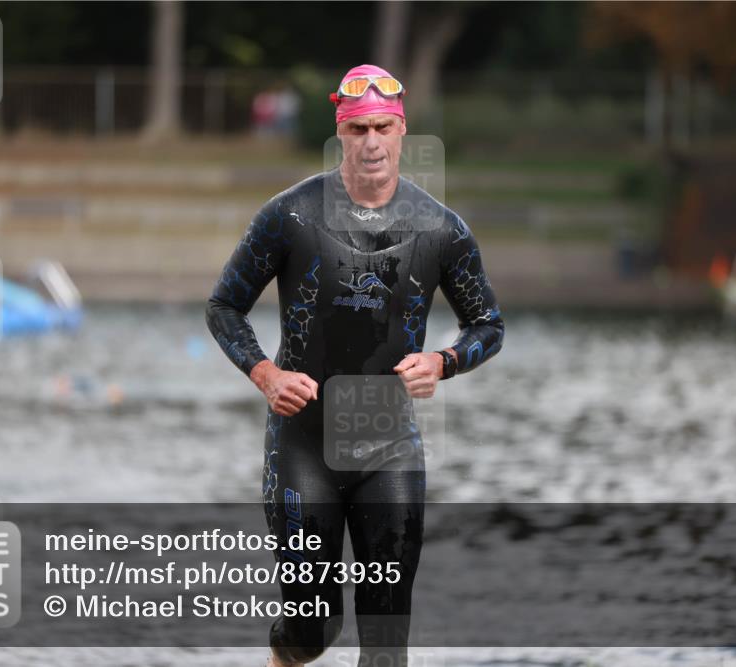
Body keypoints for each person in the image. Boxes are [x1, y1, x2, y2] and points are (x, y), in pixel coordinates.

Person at [206, 64, 504, 666]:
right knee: (312, 630)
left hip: (390, 452)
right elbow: (223, 306)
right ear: (340, 132)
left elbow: (488, 326)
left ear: (402, 130)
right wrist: (266, 374)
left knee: (387, 646)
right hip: (303, 447)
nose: (372, 142)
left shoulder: (441, 229)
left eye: (383, 128)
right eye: (359, 128)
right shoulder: (290, 216)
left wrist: (443, 362)